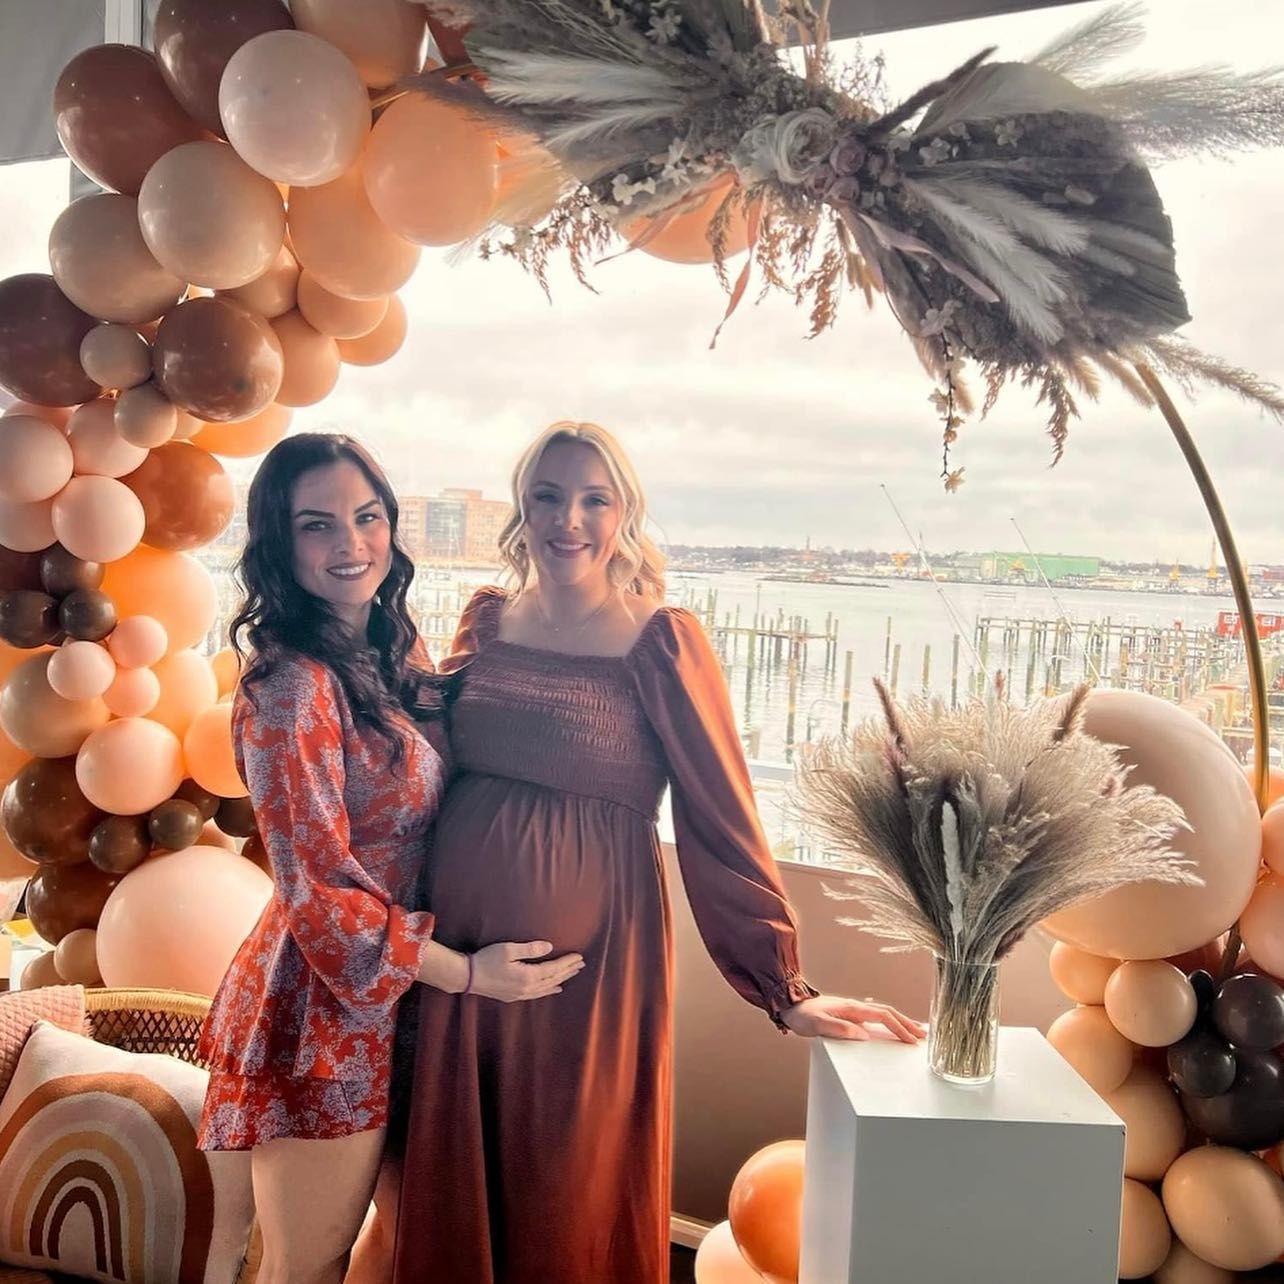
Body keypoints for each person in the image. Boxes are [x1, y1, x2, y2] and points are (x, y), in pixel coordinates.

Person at [391, 422, 923, 1284]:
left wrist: (781, 991)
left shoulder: (661, 643)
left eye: (594, 498)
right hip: (463, 966)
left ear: (625, 513)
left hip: (591, 969)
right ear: (522, 510)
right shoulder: (485, 623)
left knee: (568, 1178)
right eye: (548, 496)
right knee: (462, 1176)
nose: (570, 519)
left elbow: (723, 820)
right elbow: (423, 769)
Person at [196, 433, 584, 1284]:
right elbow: (318, 895)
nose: (351, 545)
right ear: (277, 543)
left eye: (367, 517)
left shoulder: (385, 650)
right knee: (307, 1268)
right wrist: (472, 976)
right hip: (326, 1015)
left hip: (410, 998)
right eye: (317, 526)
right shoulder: (289, 686)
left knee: (399, 1252)